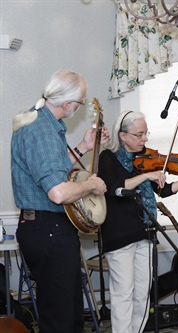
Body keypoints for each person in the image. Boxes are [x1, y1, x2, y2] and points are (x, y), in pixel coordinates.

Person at [11, 70, 108, 333]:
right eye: (81, 102)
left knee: (65, 309)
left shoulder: (39, 121)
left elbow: (53, 169)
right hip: (49, 230)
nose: (81, 107)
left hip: (46, 229)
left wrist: (84, 147)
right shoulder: (42, 131)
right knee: (62, 318)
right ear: (68, 104)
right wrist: (91, 185)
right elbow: (58, 193)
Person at [97, 110, 178, 333]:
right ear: (122, 135)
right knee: (123, 294)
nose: (145, 139)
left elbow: (166, 190)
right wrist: (145, 177)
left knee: (142, 294)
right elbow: (114, 189)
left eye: (146, 133)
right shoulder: (107, 158)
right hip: (119, 237)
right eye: (139, 134)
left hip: (146, 233)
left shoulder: (145, 160)